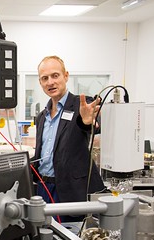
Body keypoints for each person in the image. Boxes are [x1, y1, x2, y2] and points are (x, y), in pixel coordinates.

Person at [33, 56, 105, 215]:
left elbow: (89, 123)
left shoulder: (81, 105)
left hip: (69, 191)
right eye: (44, 78)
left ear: (66, 76)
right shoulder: (41, 117)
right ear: (40, 83)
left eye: (55, 75)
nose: (50, 82)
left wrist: (86, 121)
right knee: (44, 237)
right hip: (43, 189)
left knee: (69, 237)